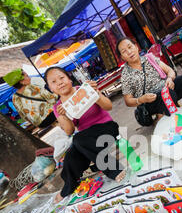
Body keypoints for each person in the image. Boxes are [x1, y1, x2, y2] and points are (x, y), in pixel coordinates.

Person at [44, 67, 125, 203]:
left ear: (69, 79)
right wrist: (64, 116)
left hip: (107, 129)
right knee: (71, 155)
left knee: (79, 139)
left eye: (62, 78)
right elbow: (69, 131)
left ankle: (114, 169)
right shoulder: (58, 107)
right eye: (53, 82)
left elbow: (108, 106)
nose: (59, 83)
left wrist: (96, 94)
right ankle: (69, 186)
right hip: (85, 140)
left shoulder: (85, 89)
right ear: (51, 89)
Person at [117, 37, 182, 124]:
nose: (129, 52)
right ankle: (164, 119)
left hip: (168, 89)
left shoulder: (149, 58)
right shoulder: (126, 75)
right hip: (150, 101)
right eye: (124, 51)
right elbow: (128, 101)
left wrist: (169, 78)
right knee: (167, 96)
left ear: (136, 47)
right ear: (122, 58)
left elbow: (170, 70)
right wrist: (141, 100)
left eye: (130, 47)